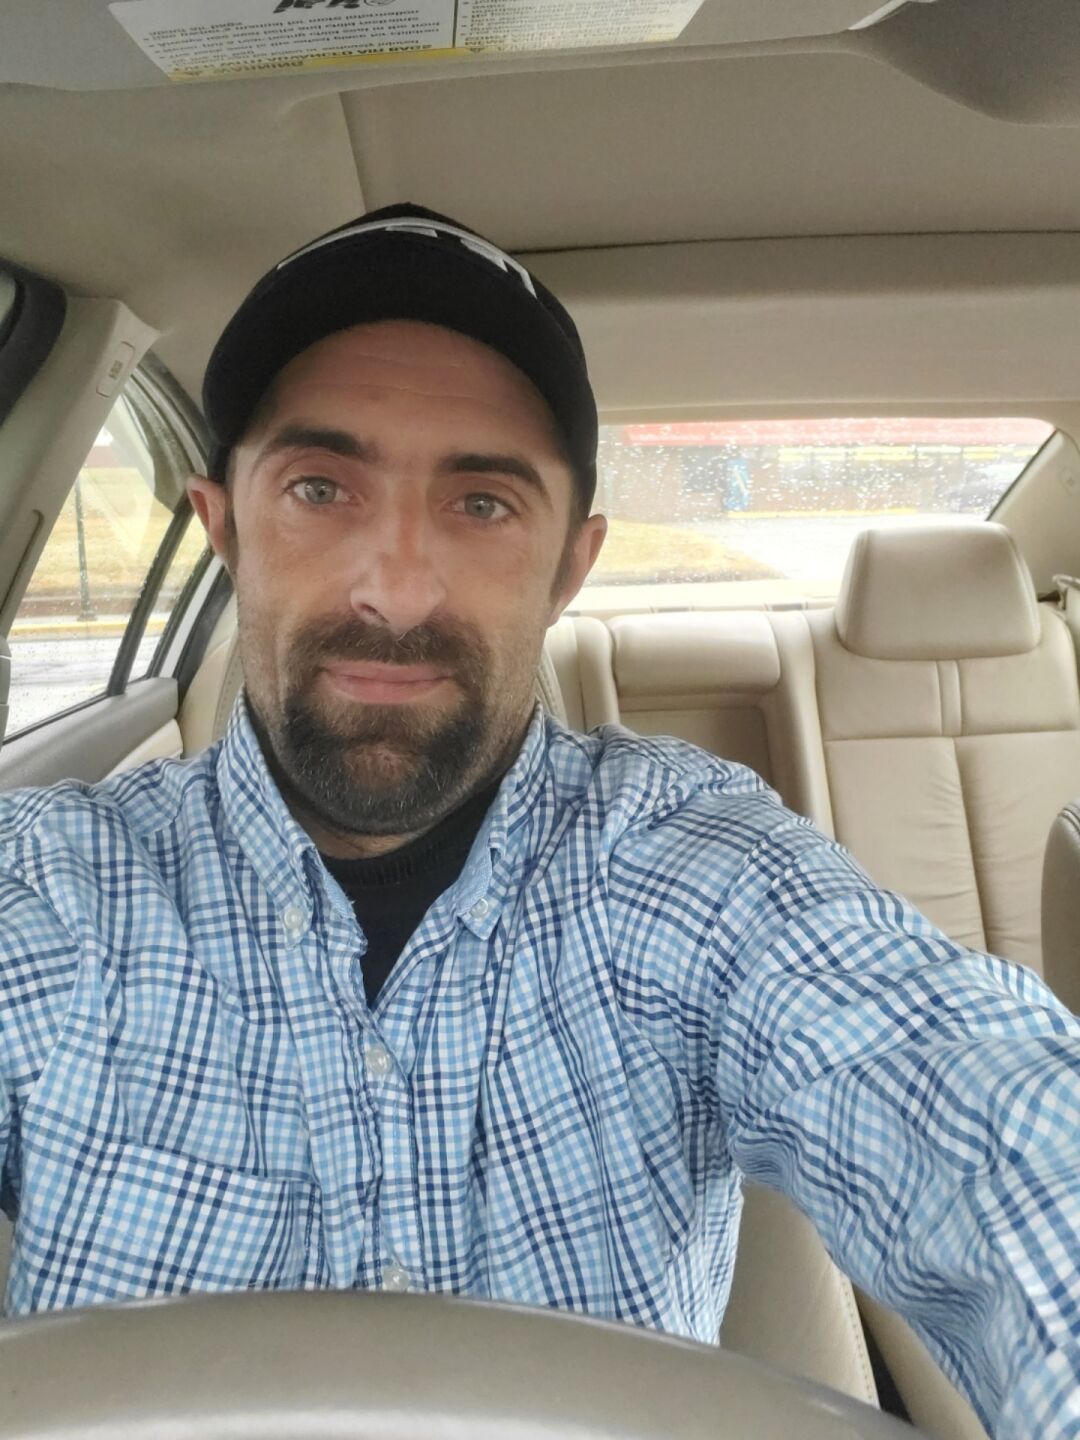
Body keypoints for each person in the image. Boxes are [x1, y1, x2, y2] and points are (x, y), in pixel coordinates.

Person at [1, 203, 1077, 1437]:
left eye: (482, 505)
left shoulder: (688, 863)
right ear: (223, 530)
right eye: (320, 488)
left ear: (571, 565)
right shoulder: (49, 887)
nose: (396, 588)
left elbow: (982, 1116)